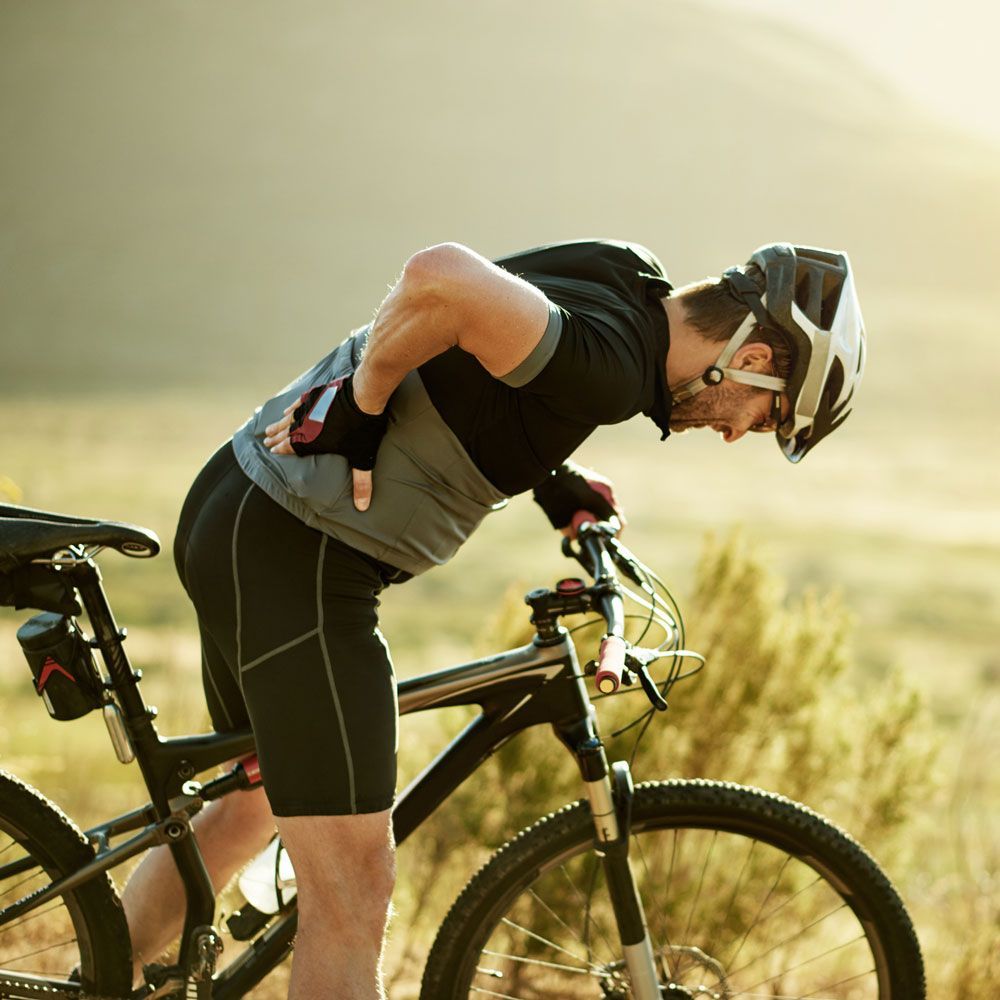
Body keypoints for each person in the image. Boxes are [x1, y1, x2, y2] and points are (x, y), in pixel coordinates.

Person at [120, 238, 866, 998]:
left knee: (247, 804)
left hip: (242, 509)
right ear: (760, 356)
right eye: (767, 413)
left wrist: (555, 481)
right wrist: (360, 401)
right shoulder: (608, 368)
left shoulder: (624, 285)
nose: (739, 432)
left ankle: (101, 978)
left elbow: (483, 367)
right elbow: (439, 277)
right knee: (354, 892)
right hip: (298, 554)